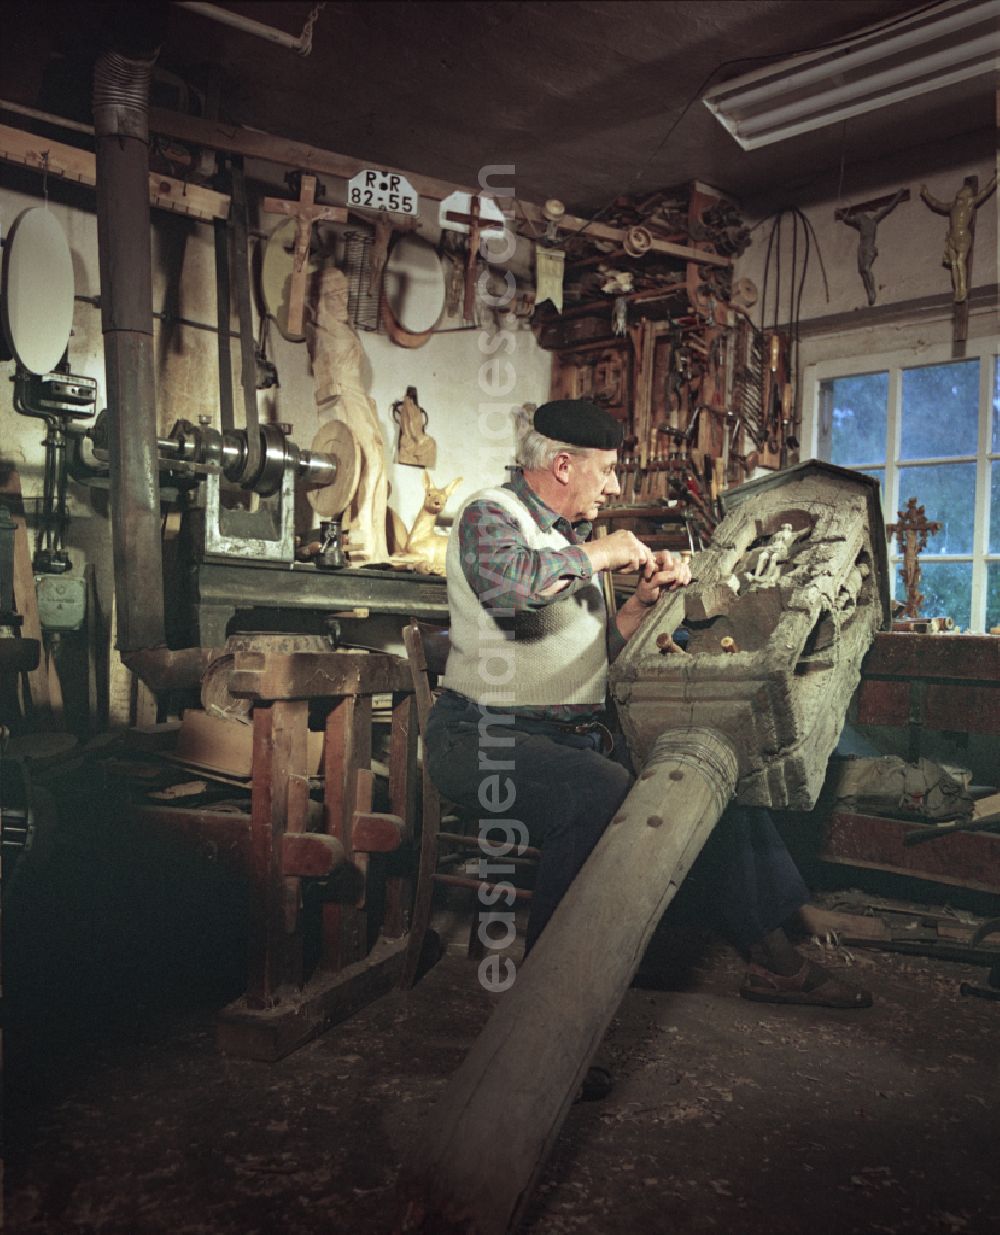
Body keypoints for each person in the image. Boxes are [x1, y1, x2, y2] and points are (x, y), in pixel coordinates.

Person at [424, 399, 871, 1029]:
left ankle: (775, 957)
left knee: (705, 764)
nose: (612, 485)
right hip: (483, 737)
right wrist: (604, 555)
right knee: (597, 791)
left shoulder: (566, 541)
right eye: (605, 470)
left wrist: (639, 605)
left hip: (569, 736)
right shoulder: (489, 514)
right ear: (561, 464)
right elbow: (511, 589)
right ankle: (546, 1012)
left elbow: (595, 654)